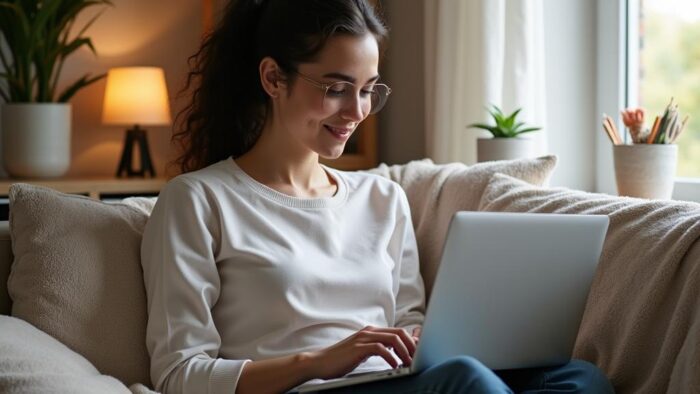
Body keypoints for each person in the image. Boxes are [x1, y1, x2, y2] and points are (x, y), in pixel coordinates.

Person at [140, 1, 615, 393]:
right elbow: (179, 372)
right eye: (336, 89)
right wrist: (318, 361)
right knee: (467, 382)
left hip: (398, 383)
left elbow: (411, 321)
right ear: (272, 79)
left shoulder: (382, 198)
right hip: (302, 389)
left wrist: (423, 339)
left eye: (368, 90)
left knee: (579, 378)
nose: (356, 111)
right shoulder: (199, 200)